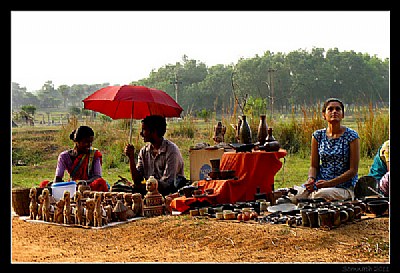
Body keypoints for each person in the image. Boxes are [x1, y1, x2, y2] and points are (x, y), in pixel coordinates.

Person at [291, 98, 360, 202]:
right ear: (324, 114)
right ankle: (309, 199)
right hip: (319, 183)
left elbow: (353, 170)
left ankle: (311, 200)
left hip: (343, 186)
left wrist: (329, 184)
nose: (334, 112)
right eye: (330, 109)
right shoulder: (318, 136)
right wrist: (311, 179)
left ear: (343, 114)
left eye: (338, 109)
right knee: (293, 194)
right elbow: (314, 166)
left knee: (321, 194)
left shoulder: (352, 136)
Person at [124, 115, 186, 196]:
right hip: (149, 194)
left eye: (144, 129)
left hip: (168, 195)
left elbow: (167, 185)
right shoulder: (144, 152)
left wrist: (147, 185)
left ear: (154, 131)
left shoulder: (171, 151)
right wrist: (131, 158)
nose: (141, 134)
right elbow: (137, 180)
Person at [40, 125, 109, 192]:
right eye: (86, 142)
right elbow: (58, 177)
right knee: (44, 184)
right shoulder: (64, 156)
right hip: (73, 186)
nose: (89, 145)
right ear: (77, 141)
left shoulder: (94, 154)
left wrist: (84, 182)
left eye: (91, 142)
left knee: (100, 182)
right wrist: (56, 184)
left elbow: (97, 176)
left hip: (89, 186)